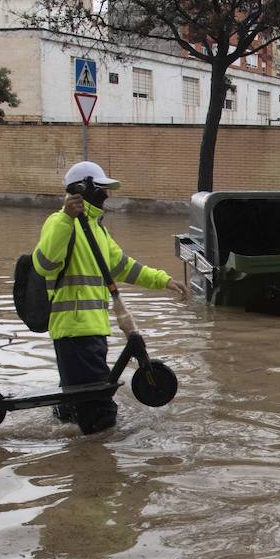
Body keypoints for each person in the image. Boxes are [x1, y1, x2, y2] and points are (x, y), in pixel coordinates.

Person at [34, 161, 187, 435]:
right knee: (100, 413)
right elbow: (44, 263)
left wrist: (163, 280)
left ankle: (68, 446)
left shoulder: (96, 229)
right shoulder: (59, 223)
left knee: (78, 403)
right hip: (74, 329)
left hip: (93, 329)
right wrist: (67, 219)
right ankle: (99, 465)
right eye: (102, 190)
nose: (107, 196)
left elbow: (123, 267)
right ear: (82, 190)